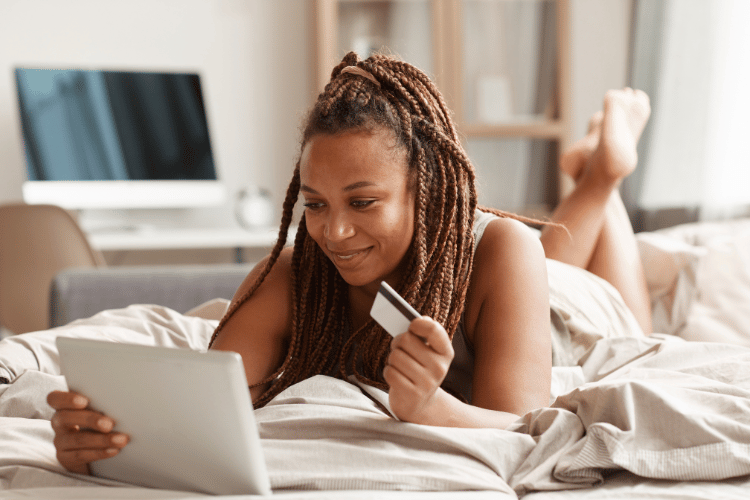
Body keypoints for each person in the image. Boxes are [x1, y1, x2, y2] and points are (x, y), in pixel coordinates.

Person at [47, 52, 652, 474]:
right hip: (498, 279)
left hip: (565, 310)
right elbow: (207, 413)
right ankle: (593, 174)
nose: (334, 232)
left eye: (362, 202)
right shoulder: (294, 272)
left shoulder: (504, 249)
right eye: (314, 204)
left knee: (593, 289)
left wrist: (432, 410)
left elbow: (527, 429)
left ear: (426, 188)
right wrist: (107, 443)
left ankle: (602, 175)